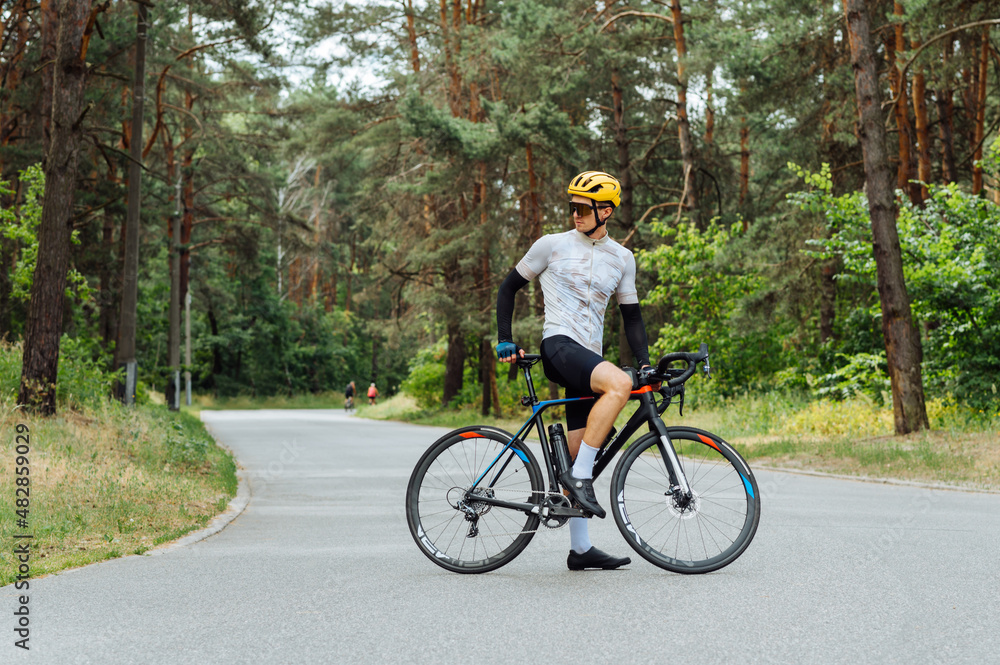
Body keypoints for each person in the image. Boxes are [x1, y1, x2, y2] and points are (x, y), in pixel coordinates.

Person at [495, 170, 655, 572]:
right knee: (618, 384)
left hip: (589, 356)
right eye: (572, 206)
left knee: (583, 450)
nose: (575, 213)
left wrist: (646, 362)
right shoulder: (552, 245)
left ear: (606, 211)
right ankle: (579, 477)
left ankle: (580, 549)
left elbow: (632, 318)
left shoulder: (623, 258)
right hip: (559, 346)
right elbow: (508, 287)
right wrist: (504, 338)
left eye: (583, 208)